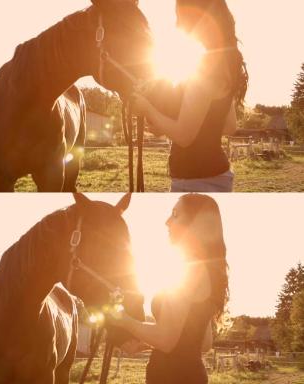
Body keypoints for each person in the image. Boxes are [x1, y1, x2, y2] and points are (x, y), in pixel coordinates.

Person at [109, 194, 229, 384]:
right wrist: (145, 343)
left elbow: (166, 339)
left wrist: (123, 319)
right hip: (193, 375)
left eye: (175, 214)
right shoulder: (209, 271)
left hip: (170, 376)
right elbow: (203, 343)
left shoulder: (190, 269)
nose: (167, 222)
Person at [132, 0, 248, 192]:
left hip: (194, 180)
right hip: (219, 176)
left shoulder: (205, 68)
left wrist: (147, 109)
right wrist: (168, 124)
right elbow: (229, 126)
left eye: (179, 17)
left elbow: (184, 136)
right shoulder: (225, 66)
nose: (177, 25)